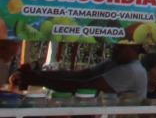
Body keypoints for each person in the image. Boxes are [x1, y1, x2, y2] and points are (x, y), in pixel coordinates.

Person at [15, 39, 145, 97]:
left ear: (134, 48)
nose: (115, 49)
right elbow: (80, 75)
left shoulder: (131, 70)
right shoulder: (114, 62)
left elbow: (83, 84)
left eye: (120, 46)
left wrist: (39, 80)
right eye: (116, 45)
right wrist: (40, 75)